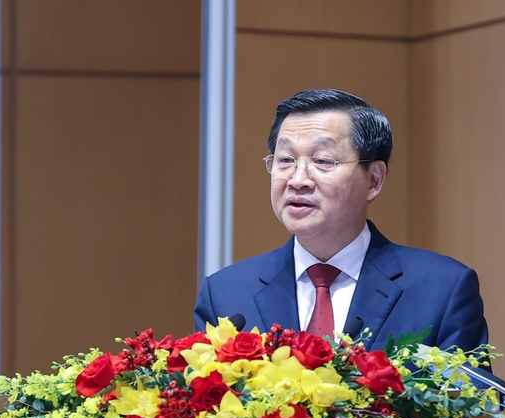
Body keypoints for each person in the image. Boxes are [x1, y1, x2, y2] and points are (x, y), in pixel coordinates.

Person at [194, 89, 488, 356]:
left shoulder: (441, 290)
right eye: (285, 160)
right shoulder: (225, 295)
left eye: (322, 161)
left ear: (374, 180)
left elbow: (474, 409)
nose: (297, 180)